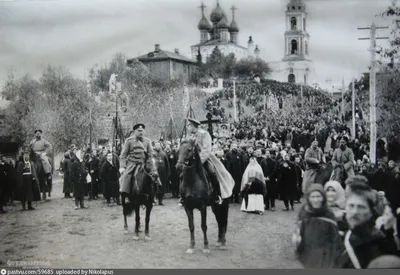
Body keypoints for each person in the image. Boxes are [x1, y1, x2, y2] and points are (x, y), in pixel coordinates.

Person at [338, 176, 399, 268]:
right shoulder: (345, 236)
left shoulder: (378, 240)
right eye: (351, 206)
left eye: (361, 207)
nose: (355, 212)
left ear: (370, 212)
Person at [180, 118, 235, 204]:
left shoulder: (204, 134)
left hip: (205, 159)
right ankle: (184, 195)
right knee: (184, 172)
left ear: (192, 126)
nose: (187, 128)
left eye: (188, 126)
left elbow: (206, 149)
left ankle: (217, 195)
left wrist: (199, 161)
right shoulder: (190, 136)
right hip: (193, 160)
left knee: (212, 172)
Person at [292, 184, 343, 268]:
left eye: (318, 196)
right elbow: (298, 234)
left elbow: (335, 239)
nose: (315, 199)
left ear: (323, 197)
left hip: (326, 255)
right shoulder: (304, 213)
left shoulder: (328, 214)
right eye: (313, 197)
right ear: (308, 198)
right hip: (309, 254)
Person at [119, 123, 160, 195]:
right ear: (134, 131)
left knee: (155, 175)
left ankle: (154, 194)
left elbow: (150, 154)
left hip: (144, 163)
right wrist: (122, 167)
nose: (141, 132)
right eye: (139, 131)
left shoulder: (147, 141)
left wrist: (150, 164)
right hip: (132, 164)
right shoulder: (129, 141)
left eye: (142, 131)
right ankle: (125, 195)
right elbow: (123, 155)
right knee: (126, 176)